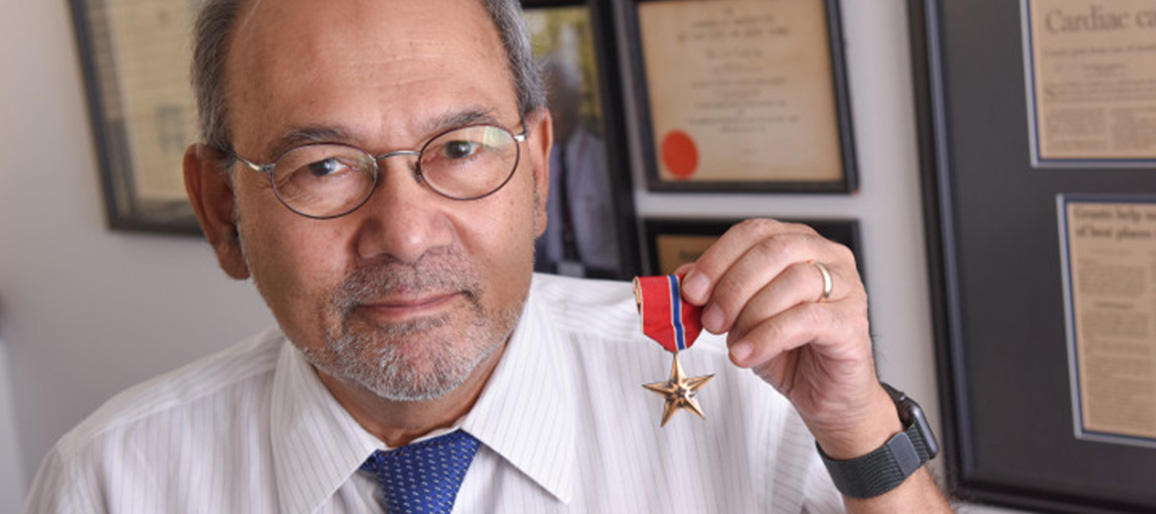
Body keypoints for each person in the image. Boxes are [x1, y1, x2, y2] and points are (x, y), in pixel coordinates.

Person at [23, 0, 954, 512]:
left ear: (539, 168)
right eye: (325, 166)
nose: (409, 233)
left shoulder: (738, 386)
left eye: (460, 150)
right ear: (222, 209)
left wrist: (861, 429)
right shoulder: (111, 482)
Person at [533, 52, 621, 278]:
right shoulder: (537, 161)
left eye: (560, 103)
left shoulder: (601, 157)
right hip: (554, 275)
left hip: (605, 276)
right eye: (548, 106)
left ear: (576, 104)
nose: (555, 115)